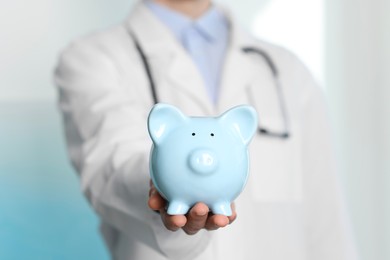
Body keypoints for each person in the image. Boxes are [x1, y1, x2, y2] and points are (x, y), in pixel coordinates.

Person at [54, 0, 358, 259]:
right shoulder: (91, 59)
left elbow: (326, 224)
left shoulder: (288, 71)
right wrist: (163, 183)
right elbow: (113, 166)